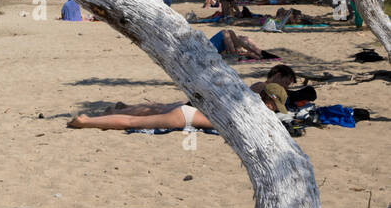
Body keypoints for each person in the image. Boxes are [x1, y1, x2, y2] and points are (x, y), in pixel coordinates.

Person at [68, 86, 284, 130]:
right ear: (270, 102)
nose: (275, 111)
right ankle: (87, 121)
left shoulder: (246, 98)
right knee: (133, 123)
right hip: (187, 118)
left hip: (192, 111)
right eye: (276, 107)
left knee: (149, 111)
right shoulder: (258, 114)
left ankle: (110, 113)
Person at [209, 28, 275, 60]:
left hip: (214, 46)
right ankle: (235, 52)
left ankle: (260, 53)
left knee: (230, 32)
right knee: (225, 32)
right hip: (211, 48)